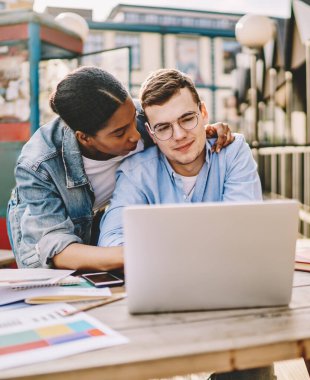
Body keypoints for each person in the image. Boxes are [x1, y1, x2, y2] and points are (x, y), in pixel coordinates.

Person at [97, 69, 275, 380]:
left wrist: (160, 251)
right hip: (162, 306)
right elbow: (112, 239)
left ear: (204, 113)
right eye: (163, 127)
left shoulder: (233, 152)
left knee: (254, 357)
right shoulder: (136, 171)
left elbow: (244, 231)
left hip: (230, 299)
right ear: (151, 133)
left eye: (187, 119)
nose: (178, 135)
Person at [6, 66, 233, 270]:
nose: (135, 135)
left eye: (133, 120)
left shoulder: (135, 116)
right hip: (47, 231)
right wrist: (140, 253)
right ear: (85, 138)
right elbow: (56, 249)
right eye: (120, 133)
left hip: (104, 217)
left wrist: (205, 131)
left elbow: (176, 127)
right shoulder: (38, 165)